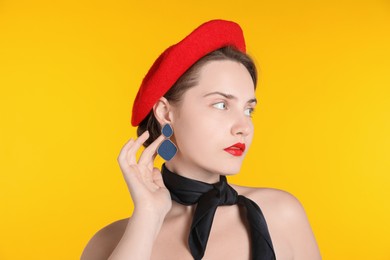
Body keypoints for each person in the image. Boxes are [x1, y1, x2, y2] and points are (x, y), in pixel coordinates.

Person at [81, 19, 321, 260]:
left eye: (249, 110)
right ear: (165, 113)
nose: (244, 127)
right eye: (221, 104)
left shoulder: (281, 214)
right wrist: (148, 216)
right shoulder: (108, 243)